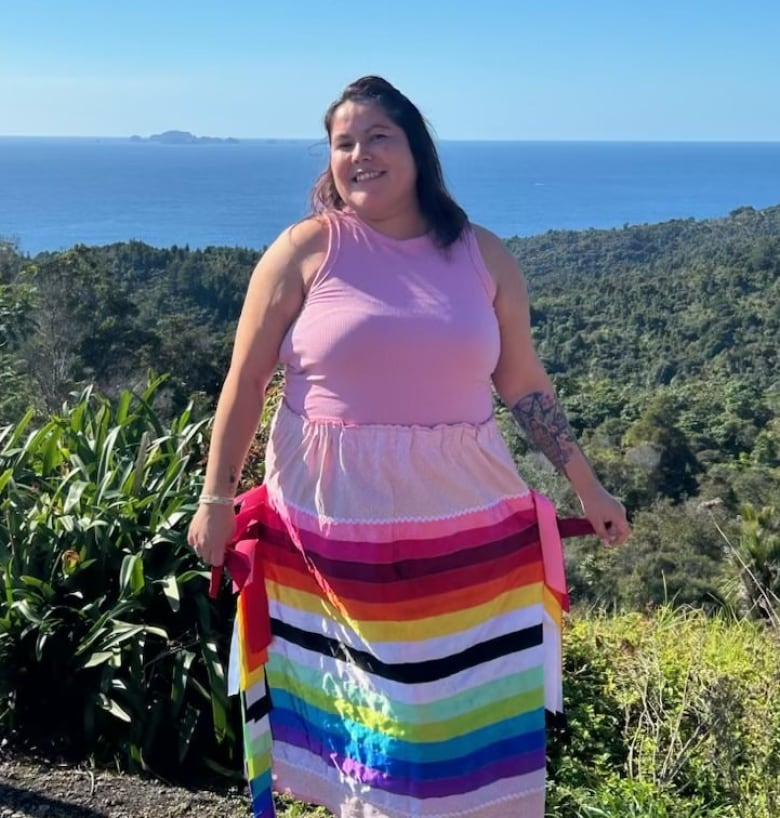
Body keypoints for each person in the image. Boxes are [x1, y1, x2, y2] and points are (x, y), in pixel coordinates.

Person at [187, 75, 630, 818]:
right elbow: (244, 383)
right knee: (363, 717)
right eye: (343, 143)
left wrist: (586, 484)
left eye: (377, 138)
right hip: (333, 526)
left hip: (460, 518)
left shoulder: (482, 254)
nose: (359, 154)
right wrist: (215, 498)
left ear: (417, 149)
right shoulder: (305, 250)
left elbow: (524, 384)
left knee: (455, 708)